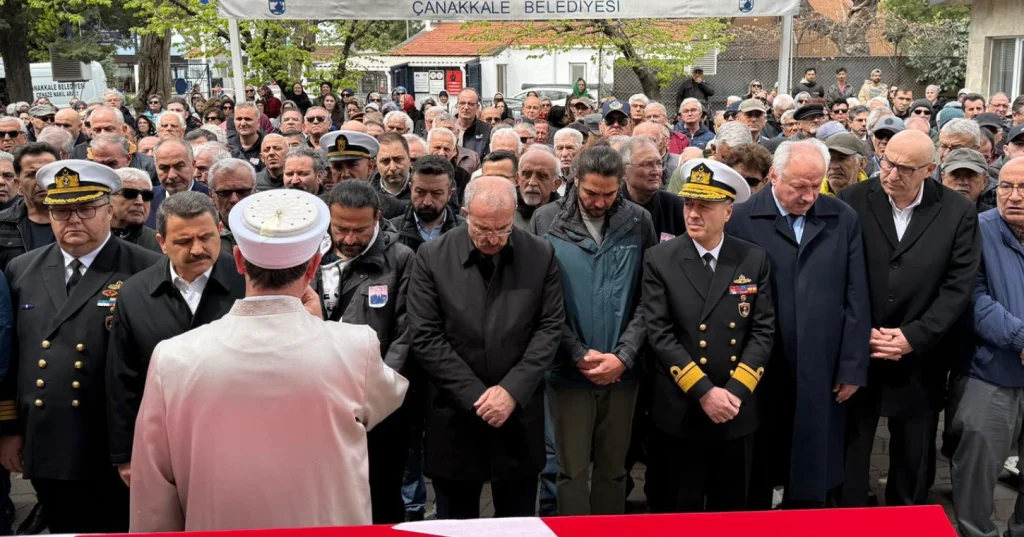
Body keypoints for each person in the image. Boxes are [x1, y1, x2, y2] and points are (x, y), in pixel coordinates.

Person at [130, 188, 407, 530]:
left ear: (239, 261)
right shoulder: (355, 347)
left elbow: (153, 490)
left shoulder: (173, 356)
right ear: (314, 265)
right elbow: (385, 399)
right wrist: (322, 329)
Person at [0, 160, 162, 533]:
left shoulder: (147, 268)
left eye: (85, 208)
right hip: (48, 437)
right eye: (61, 210)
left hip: (113, 442)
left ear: (109, 211)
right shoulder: (22, 269)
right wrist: (9, 427)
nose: (72, 219)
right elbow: (12, 358)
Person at [838, 130, 981, 507]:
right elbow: (838, 275)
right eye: (887, 162)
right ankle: (850, 517)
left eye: (905, 169)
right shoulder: (853, 200)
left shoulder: (957, 212)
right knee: (852, 448)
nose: (891, 174)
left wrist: (913, 337)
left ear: (930, 170)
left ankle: (906, 520)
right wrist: (861, 333)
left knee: (913, 457)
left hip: (921, 358)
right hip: (862, 350)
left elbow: (958, 286)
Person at [408, 175, 564, 519]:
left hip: (517, 414)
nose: (493, 239)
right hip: (456, 414)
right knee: (456, 522)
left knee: (517, 522)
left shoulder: (540, 254)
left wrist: (511, 391)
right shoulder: (432, 256)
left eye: (503, 228)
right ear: (465, 214)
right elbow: (425, 336)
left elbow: (549, 329)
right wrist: (477, 396)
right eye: (482, 229)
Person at [726, 139, 870, 509]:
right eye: (798, 186)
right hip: (759, 366)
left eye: (816, 186)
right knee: (756, 468)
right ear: (773, 175)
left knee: (812, 466)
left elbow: (857, 295)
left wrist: (852, 366)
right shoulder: (741, 219)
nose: (808, 196)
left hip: (821, 366)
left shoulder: (841, 218)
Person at [528, 145, 655, 516]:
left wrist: (624, 355)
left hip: (622, 371)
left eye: (609, 194)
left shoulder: (639, 221)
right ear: (574, 180)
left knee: (614, 470)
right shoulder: (546, 220)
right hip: (567, 370)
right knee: (570, 471)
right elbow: (542, 301)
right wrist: (577, 352)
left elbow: (649, 296)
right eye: (591, 193)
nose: (599, 202)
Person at [643, 157, 773, 512]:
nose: (693, 214)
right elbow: (660, 333)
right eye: (689, 204)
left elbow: (762, 331)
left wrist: (734, 393)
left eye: (705, 206)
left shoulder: (752, 259)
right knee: (678, 510)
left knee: (730, 510)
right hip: (682, 407)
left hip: (734, 407)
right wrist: (704, 392)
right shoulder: (660, 258)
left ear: (728, 212)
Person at [106, 191, 244, 488]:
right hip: (164, 439)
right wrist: (125, 453)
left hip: (237, 436)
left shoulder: (247, 283)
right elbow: (123, 377)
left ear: (220, 230)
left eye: (206, 237)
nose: (197, 249)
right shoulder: (135, 293)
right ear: (162, 242)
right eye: (183, 241)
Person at [313, 180, 414, 524]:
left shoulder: (400, 259)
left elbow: (407, 333)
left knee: (381, 494)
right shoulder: (312, 254)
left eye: (359, 230)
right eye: (341, 229)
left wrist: (378, 393)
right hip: (322, 400)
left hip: (379, 407)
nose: (349, 239)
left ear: (377, 219)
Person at [951, 157, 1024, 537]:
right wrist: (1020, 339)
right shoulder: (977, 230)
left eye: (1023, 188)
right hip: (990, 373)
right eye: (1006, 187)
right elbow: (973, 299)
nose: (1013, 196)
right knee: (977, 471)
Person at [0, 143, 58, 270]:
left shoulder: (80, 220)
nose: (41, 181)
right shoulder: (3, 224)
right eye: (32, 174)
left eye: (48, 173)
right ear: (18, 183)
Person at [618, 137, 685, 240]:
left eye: (659, 163)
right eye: (647, 164)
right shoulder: (612, 207)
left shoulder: (676, 206)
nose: (656, 171)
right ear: (624, 171)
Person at [148, 138, 210, 229]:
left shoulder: (211, 198)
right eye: (164, 168)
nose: (172, 175)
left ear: (193, 165)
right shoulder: (146, 200)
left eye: (179, 166)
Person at [207, 159, 258, 251]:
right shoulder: (203, 232)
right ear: (211, 194)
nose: (234, 199)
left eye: (242, 192)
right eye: (225, 193)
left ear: (254, 190)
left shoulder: (273, 228)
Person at [110, 168, 160, 252]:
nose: (140, 202)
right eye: (130, 194)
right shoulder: (90, 238)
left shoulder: (161, 243)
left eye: (147, 195)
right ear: (107, 198)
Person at [514, 149, 561, 230]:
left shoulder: (566, 216)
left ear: (555, 184)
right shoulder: (504, 213)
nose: (532, 183)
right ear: (517, 179)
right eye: (526, 174)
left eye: (542, 176)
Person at [372, 133, 413, 218]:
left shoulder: (424, 191)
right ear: (376, 163)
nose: (393, 167)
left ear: (409, 158)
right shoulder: (369, 194)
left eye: (398, 159)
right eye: (385, 161)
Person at [941, 148, 993, 213]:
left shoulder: (992, 218)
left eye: (970, 175)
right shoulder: (929, 212)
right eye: (955, 174)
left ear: (984, 181)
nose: (962, 182)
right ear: (943, 178)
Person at [226, 103, 266, 172]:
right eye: (239, 119)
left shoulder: (268, 146)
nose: (243, 123)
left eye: (248, 119)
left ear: (258, 122)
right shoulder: (228, 146)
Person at [455, 89, 491, 157]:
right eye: (462, 103)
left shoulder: (487, 131)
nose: (466, 107)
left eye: (471, 104)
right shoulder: (447, 127)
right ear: (457, 105)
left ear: (477, 107)